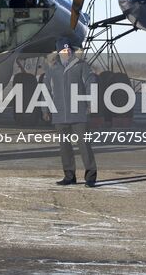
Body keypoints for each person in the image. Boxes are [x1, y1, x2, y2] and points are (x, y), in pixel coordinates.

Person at [46, 38, 98, 187]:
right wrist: (45, 109)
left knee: (84, 146)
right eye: (63, 50)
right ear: (58, 52)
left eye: (68, 49)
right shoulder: (52, 69)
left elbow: (91, 84)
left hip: (79, 113)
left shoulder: (81, 66)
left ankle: (90, 177)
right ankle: (69, 176)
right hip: (60, 114)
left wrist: (92, 104)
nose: (67, 52)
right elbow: (46, 90)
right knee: (65, 147)